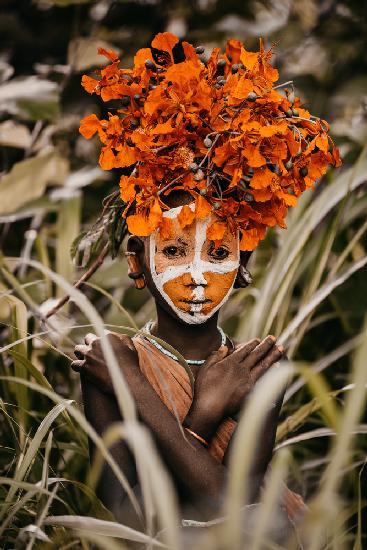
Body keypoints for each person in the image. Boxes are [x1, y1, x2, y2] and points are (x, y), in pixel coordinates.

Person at [71, 31, 340, 541]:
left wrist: (137, 392)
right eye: (172, 251)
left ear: (243, 265)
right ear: (138, 262)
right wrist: (208, 410)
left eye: (218, 252)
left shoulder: (257, 368)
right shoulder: (105, 361)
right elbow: (132, 516)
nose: (196, 274)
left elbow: (229, 507)